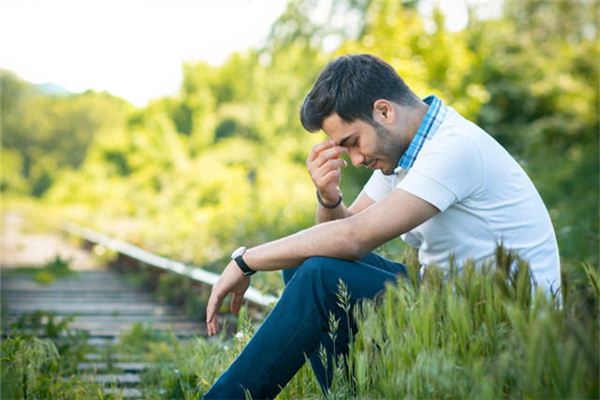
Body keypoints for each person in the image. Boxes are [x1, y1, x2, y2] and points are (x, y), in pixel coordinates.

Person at [202, 54, 561, 398]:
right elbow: (342, 231)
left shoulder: (455, 147)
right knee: (301, 263)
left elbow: (353, 240)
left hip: (500, 327)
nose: (356, 160)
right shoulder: (405, 151)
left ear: (384, 111)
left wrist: (244, 261)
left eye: (353, 142)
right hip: (447, 301)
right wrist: (329, 198)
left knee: (319, 276)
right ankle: (345, 395)